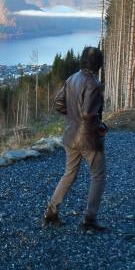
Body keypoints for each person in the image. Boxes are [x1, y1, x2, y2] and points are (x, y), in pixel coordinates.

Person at [43, 46, 109, 232]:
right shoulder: (94, 83)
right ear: (98, 64)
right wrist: (101, 127)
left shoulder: (72, 78)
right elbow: (88, 113)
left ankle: (51, 211)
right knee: (98, 175)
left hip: (70, 136)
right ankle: (89, 218)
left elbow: (58, 104)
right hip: (88, 139)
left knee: (69, 174)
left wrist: (72, 116)